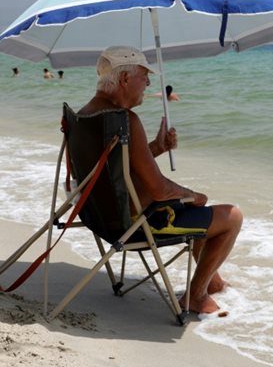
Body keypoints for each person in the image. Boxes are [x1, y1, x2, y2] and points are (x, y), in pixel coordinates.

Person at [78, 46, 242, 314]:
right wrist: (194, 195)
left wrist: (156, 147)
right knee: (232, 216)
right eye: (144, 76)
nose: (149, 83)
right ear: (125, 79)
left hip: (100, 217)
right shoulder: (125, 120)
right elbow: (159, 189)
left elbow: (112, 168)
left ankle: (213, 282)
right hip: (135, 224)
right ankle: (196, 296)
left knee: (198, 210)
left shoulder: (84, 116)